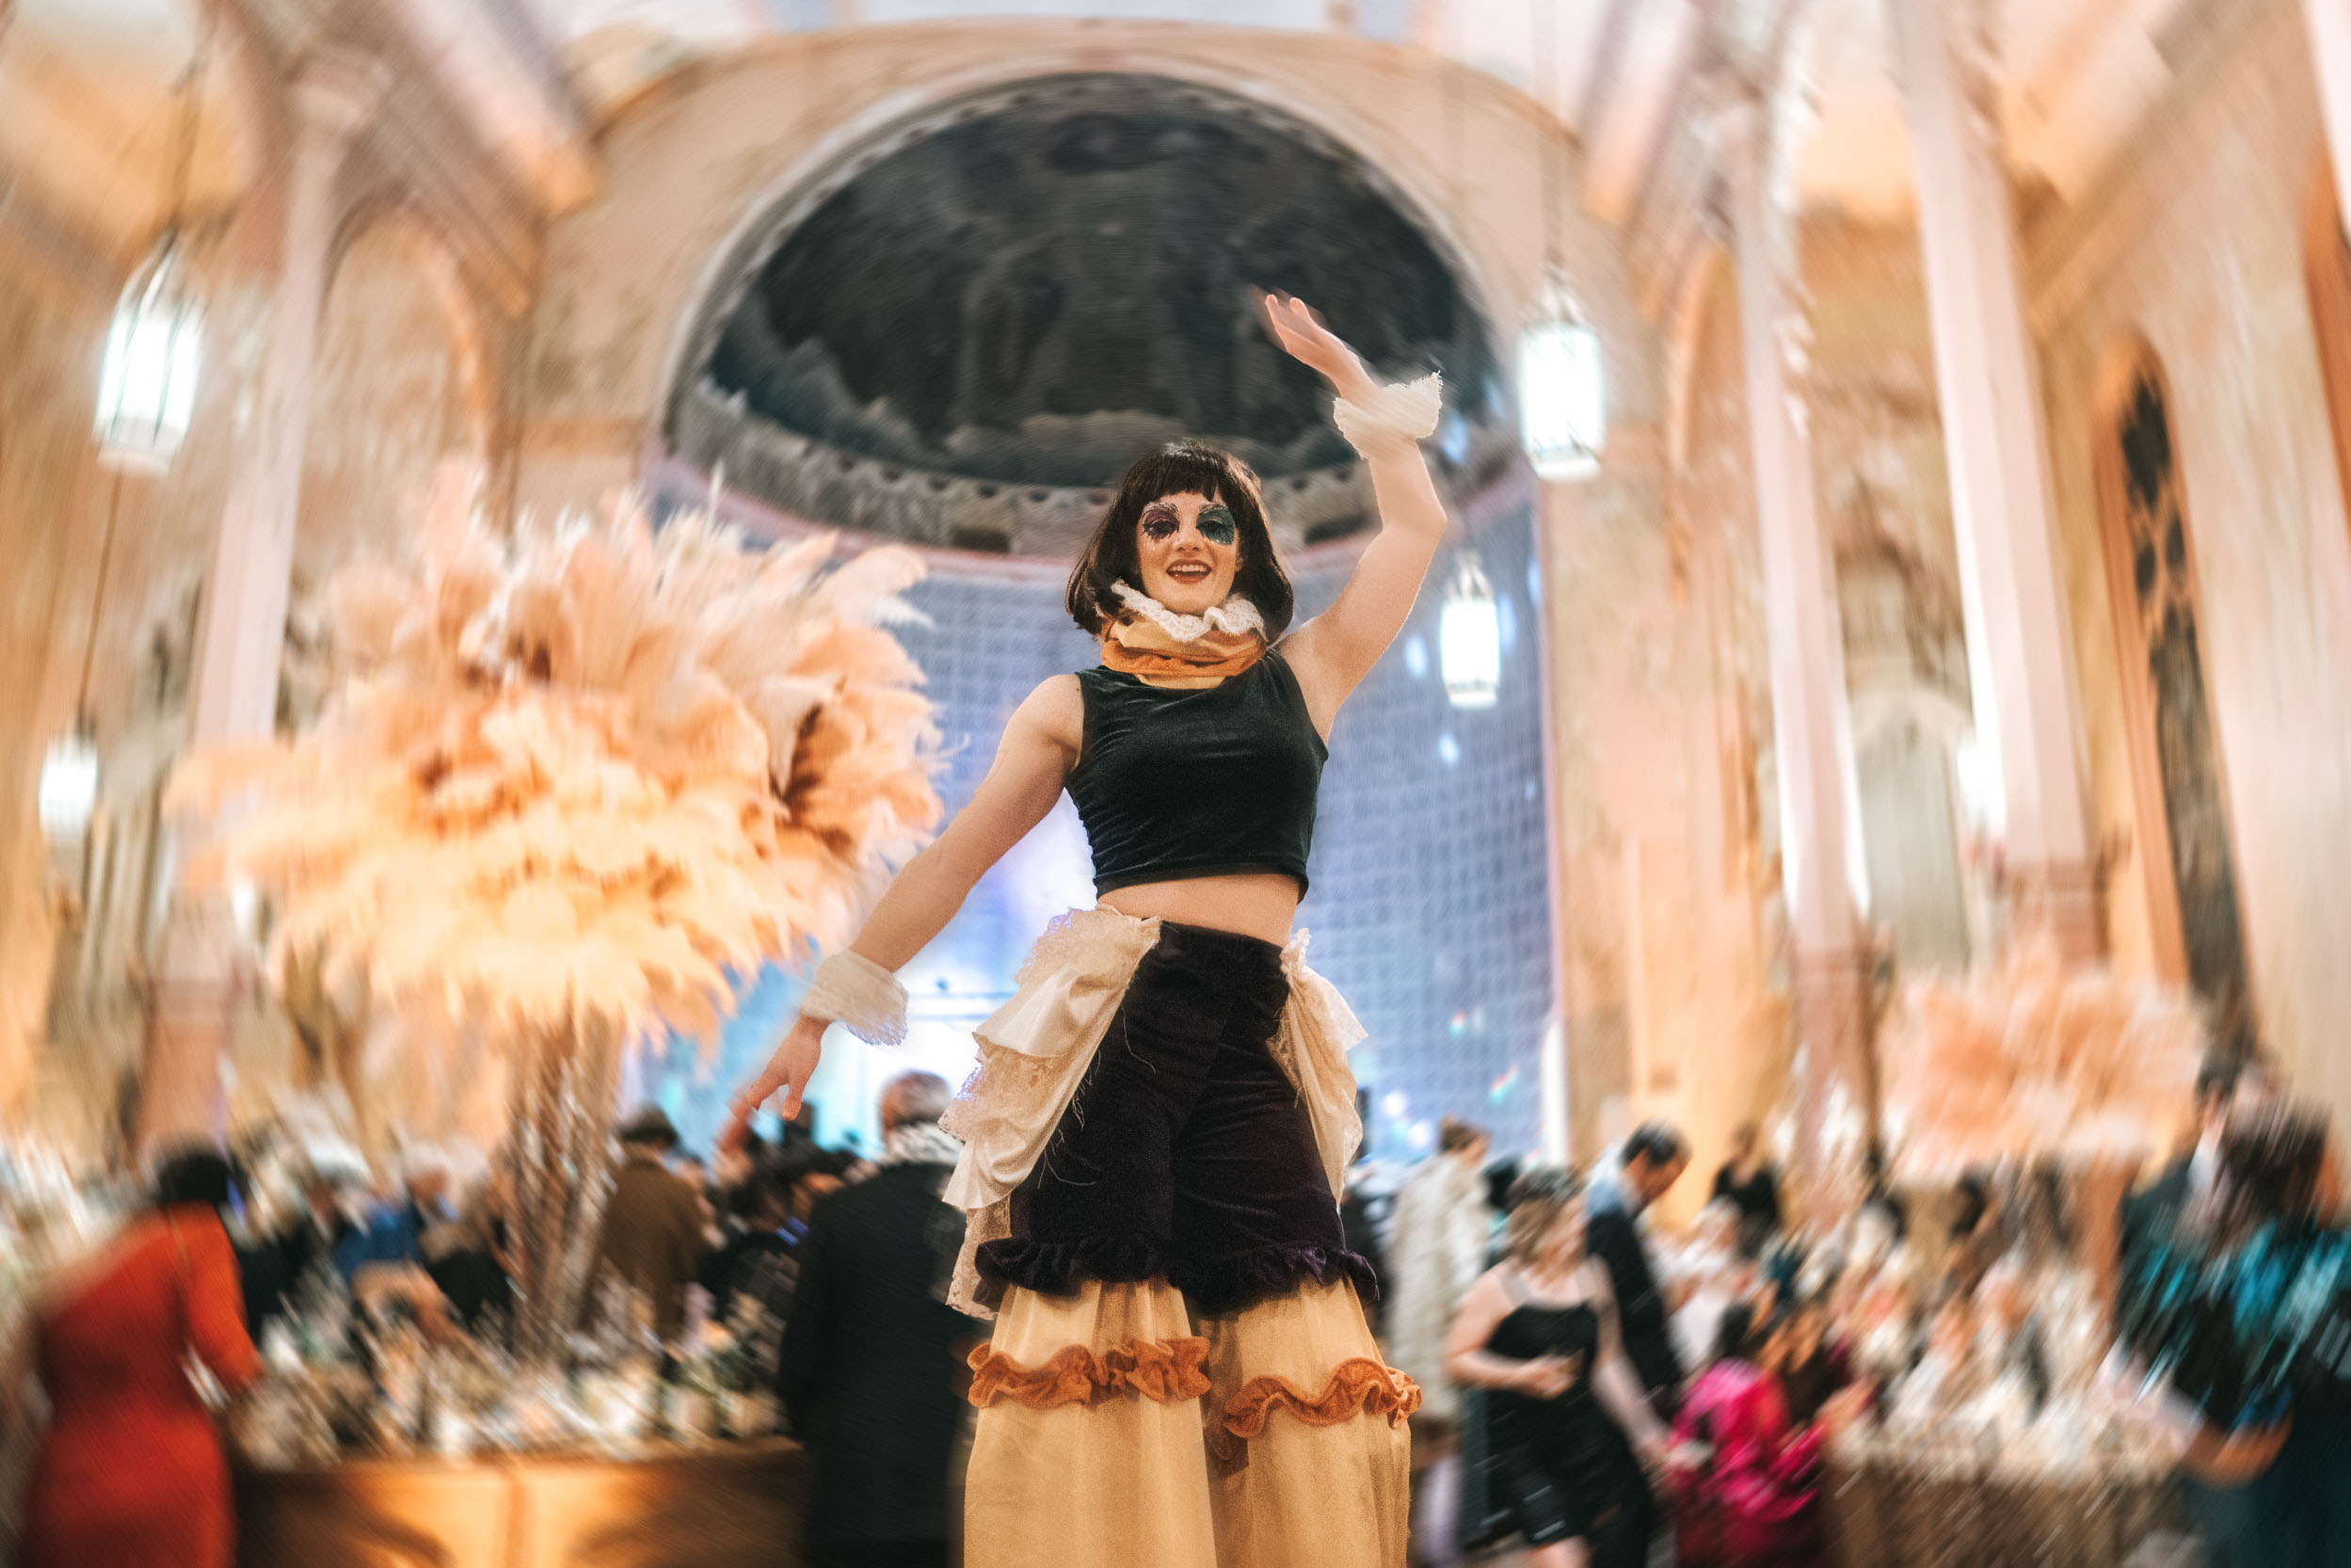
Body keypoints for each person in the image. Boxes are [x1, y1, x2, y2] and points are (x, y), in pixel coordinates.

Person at [728, 294, 1441, 1568]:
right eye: (1158, 518)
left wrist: (1349, 377)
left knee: (1303, 1340)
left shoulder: (1305, 671)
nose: (1184, 534)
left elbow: (1416, 524)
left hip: (1251, 1023)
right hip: (1127, 1029)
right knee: (1103, 1344)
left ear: (1242, 549)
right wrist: (813, 1013)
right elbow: (950, 861)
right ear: (1123, 547)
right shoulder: (1076, 698)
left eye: (1211, 518)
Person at [2117, 1097, 2351, 1568]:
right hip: (2320, 1495)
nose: (2341, 1180)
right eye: (2330, 1168)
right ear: (2295, 1183)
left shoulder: (2178, 1264)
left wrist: (2213, 1456)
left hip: (2242, 1510)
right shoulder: (2328, 1260)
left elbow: (2123, 1383)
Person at [7, 1146, 262, 1568]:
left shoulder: (81, 1253)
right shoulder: (198, 1235)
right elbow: (225, 1354)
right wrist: (257, 1376)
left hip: (65, 1486)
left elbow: (10, 1398)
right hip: (165, 1484)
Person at [782, 1072, 977, 1568]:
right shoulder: (979, 1213)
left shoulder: (840, 1211)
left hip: (855, 1466)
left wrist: (804, 1423)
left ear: (884, 1123)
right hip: (956, 1465)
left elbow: (803, 1341)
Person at [1444, 1168, 1668, 1568]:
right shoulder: (1499, 1285)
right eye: (1571, 1218)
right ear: (1539, 1225)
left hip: (1592, 1444)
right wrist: (1520, 1374)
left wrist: (1644, 1429)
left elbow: (1608, 1361)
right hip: (1527, 1453)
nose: (1582, 1225)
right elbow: (1457, 1359)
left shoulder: (1593, 1274)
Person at [1385, 1117, 1495, 1567]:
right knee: (1450, 1443)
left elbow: (1392, 1250)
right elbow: (1464, 1263)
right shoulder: (1461, 1184)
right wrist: (1474, 1319)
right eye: (1480, 1151)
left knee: (1417, 1444)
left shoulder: (1416, 1182)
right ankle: (1440, 1549)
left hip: (1410, 1331)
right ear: (1467, 1148)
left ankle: (1405, 1549)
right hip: (1445, 1332)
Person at [1668, 1303, 1837, 1568]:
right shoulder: (1758, 1385)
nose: (1786, 1348)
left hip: (1702, 1526)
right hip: (1755, 1523)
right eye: (1780, 1339)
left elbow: (1680, 1460)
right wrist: (1823, 1431)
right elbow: (1782, 1471)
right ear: (1759, 1341)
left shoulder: (1701, 1383)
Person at [1585, 1121, 1691, 1420]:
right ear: (1642, 1160)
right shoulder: (1608, 1211)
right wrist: (1662, 1300)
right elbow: (1609, 1298)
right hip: (1630, 1367)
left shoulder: (1621, 1205)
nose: (1665, 1191)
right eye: (1665, 1180)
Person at [593, 1107, 710, 1339]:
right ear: (661, 1144)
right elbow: (692, 1264)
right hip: (655, 1329)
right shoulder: (681, 1193)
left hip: (598, 1323)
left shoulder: (601, 1188)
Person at [1709, 1123, 1782, 1237]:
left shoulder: (1763, 1177)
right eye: (1735, 1143)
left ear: (1750, 1145)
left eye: (1742, 1143)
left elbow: (1774, 1214)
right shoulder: (1723, 1175)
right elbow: (1713, 1207)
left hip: (1757, 1236)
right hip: (1728, 1238)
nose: (1737, 1148)